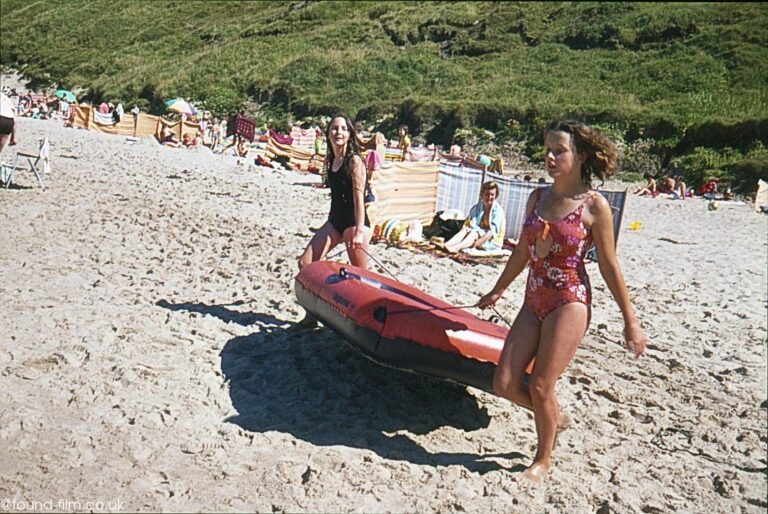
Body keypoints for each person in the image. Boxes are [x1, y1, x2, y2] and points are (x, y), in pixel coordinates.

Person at [477, 120, 647, 485]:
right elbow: (522, 251)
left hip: (569, 299)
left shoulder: (594, 206)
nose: (550, 158)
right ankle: (555, 416)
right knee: (504, 382)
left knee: (540, 385)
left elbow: (609, 265)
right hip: (533, 297)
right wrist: (497, 290)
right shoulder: (537, 198)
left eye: (560, 151)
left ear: (580, 155)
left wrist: (630, 321)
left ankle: (542, 458)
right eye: (548, 151)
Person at [298, 113, 373, 273]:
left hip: (354, 222)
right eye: (334, 128)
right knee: (305, 263)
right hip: (335, 221)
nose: (338, 132)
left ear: (349, 134)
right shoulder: (331, 161)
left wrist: (359, 233)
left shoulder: (355, 161)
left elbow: (359, 199)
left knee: (361, 274)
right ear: (328, 133)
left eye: (343, 129)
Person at [440, 181, 506, 254]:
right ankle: (447, 244)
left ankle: (456, 248)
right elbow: (470, 224)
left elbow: (492, 232)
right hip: (478, 234)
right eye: (487, 194)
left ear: (496, 196)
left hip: (491, 240)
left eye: (492, 195)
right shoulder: (477, 208)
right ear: (482, 194)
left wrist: (478, 242)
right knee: (465, 230)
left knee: (474, 232)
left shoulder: (497, 211)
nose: (489, 197)